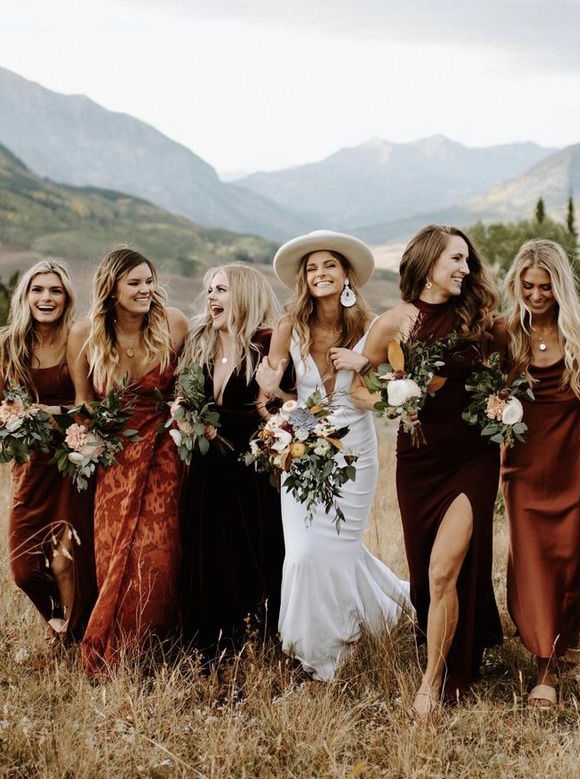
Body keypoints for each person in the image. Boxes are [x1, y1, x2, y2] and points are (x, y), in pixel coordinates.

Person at [360, 224, 504, 715]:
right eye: (455, 260)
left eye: (467, 260)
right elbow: (357, 383)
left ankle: (432, 682)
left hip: (473, 457)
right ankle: (455, 644)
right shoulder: (394, 323)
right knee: (426, 576)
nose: (465, 269)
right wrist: (395, 400)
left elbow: (512, 373)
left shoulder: (482, 320)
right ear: (426, 264)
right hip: (418, 461)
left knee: (443, 572)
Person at [256, 230, 409, 681]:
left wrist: (363, 367)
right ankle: (316, 648)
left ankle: (336, 649)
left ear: (345, 275)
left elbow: (392, 396)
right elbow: (272, 396)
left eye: (329, 266)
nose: (320, 274)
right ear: (304, 278)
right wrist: (272, 392)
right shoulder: (289, 327)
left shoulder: (371, 327)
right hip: (302, 447)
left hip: (356, 451)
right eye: (312, 268)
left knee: (338, 550)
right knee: (304, 552)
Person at [66, 248, 188, 675]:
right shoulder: (84, 334)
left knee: (159, 552)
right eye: (134, 282)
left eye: (149, 280)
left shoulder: (174, 324)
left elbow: (188, 389)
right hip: (113, 459)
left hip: (164, 454)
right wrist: (85, 441)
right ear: (112, 287)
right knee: (114, 553)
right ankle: (118, 645)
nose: (145, 289)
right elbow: (82, 402)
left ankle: (154, 647)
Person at [501, 239, 580, 708]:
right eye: (527, 286)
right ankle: (546, 666)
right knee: (531, 558)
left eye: (545, 286)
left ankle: (564, 639)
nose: (536, 295)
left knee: (567, 556)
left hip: (574, 456)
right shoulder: (507, 329)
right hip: (523, 465)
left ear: (559, 285)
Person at [180, 263, 285, 660]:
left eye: (220, 290)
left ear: (243, 294)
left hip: (251, 469)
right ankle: (207, 642)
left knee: (251, 550)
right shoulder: (200, 343)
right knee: (204, 550)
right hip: (207, 471)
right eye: (209, 289)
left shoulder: (267, 344)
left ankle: (254, 639)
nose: (210, 297)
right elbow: (187, 397)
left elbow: (285, 405)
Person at [2, 261, 96, 640]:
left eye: (55, 290)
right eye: (37, 290)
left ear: (66, 298)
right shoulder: (7, 344)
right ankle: (58, 619)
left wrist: (48, 412)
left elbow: (86, 405)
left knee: (64, 562)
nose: (46, 297)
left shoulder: (77, 338)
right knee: (23, 569)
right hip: (30, 467)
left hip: (72, 460)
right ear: (24, 297)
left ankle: (75, 640)